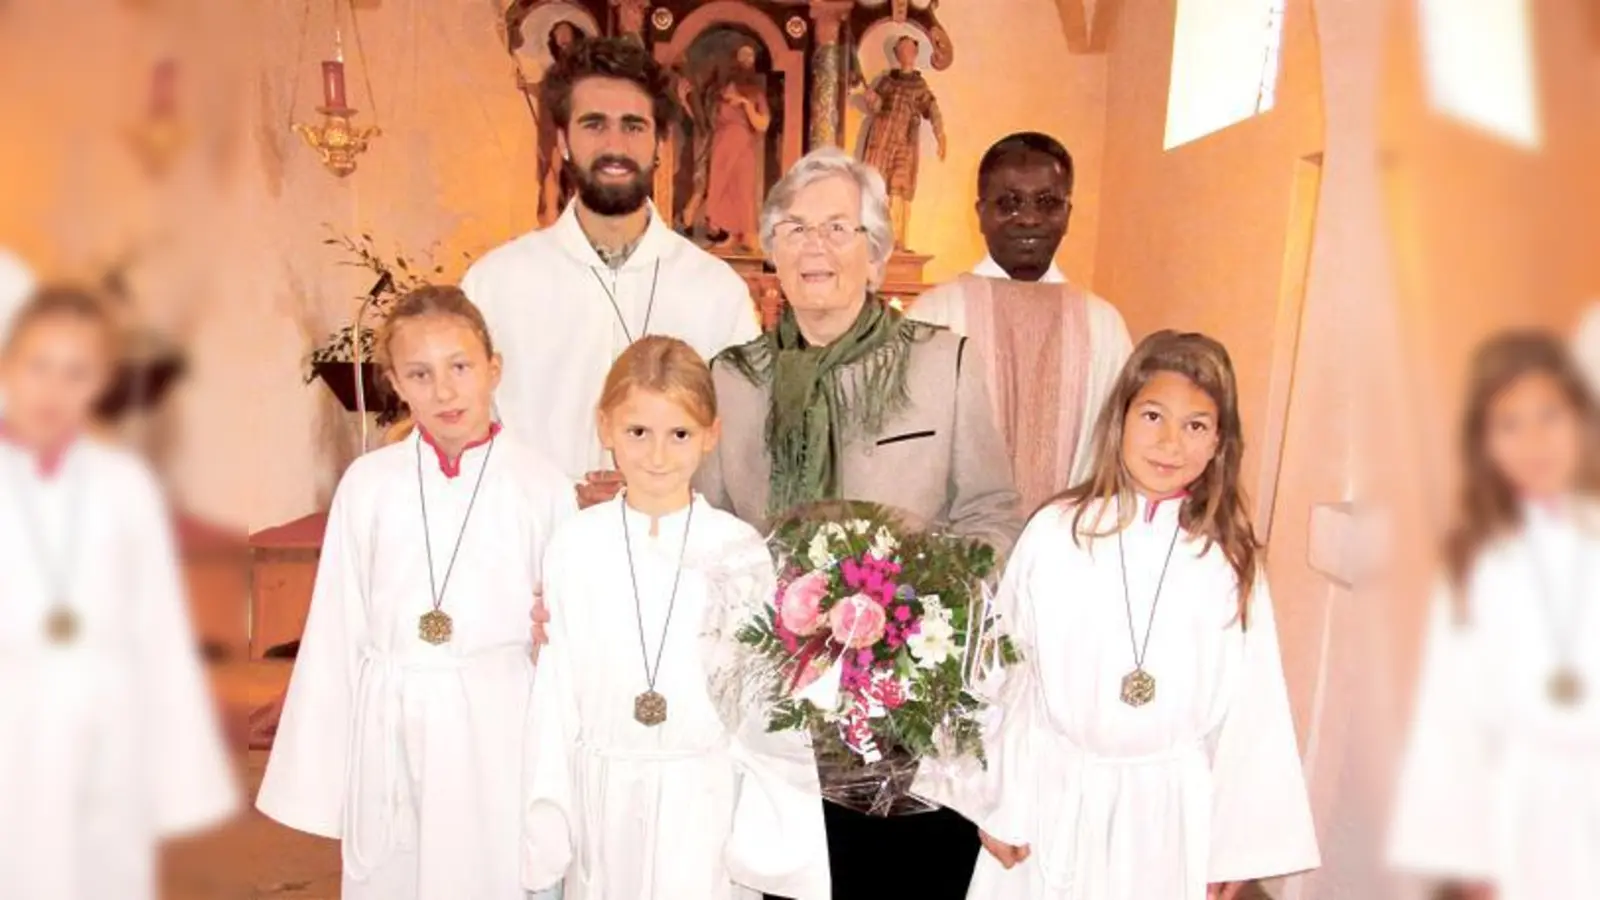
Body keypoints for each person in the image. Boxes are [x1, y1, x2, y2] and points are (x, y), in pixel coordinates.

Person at [695, 146, 1021, 899]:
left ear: (875, 254)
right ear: (772, 250)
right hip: (775, 707)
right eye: (797, 228)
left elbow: (991, 510)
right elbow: (706, 531)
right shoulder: (732, 380)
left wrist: (929, 611)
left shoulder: (944, 363)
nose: (817, 246)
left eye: (840, 228)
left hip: (911, 708)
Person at [944, 330, 1319, 900]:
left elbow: (1253, 708)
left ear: (1219, 442)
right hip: (1054, 793)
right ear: (1118, 421)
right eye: (1152, 416)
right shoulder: (1056, 533)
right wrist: (995, 800)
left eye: (1196, 425)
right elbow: (1005, 671)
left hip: (1165, 812)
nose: (1171, 442)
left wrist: (1235, 843)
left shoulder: (1228, 559)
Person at [256, 285, 575, 900]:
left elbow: (562, 633)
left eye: (460, 367)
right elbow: (337, 624)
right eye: (420, 374)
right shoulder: (370, 484)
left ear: (494, 368)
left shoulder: (542, 486)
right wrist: (322, 768)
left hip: (497, 725)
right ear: (395, 384)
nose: (445, 391)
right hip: (392, 722)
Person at [522, 336, 829, 899]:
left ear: (711, 434)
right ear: (605, 426)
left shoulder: (738, 551)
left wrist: (768, 837)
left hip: (703, 801)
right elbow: (557, 693)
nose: (657, 456)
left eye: (679, 434)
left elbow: (761, 706)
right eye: (638, 432)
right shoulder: (574, 545)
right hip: (605, 795)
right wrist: (548, 823)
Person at [0, 285, 238, 899]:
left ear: (101, 382)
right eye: (39, 367)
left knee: (103, 874)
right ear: (7, 366)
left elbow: (157, 627)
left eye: (77, 373)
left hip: (107, 722)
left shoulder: (123, 485)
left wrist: (180, 776)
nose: (54, 390)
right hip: (11, 718)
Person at [464, 36, 760, 510]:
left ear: (659, 142)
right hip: (537, 552)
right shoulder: (496, 283)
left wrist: (653, 494)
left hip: (676, 559)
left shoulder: (716, 292)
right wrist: (561, 499)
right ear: (562, 141)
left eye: (633, 126)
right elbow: (471, 435)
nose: (615, 146)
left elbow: (740, 444)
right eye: (594, 124)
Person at [1388, 332, 1600, 900]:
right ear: (1484, 445)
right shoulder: (1473, 560)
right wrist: (1466, 860)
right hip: (1515, 812)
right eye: (1509, 424)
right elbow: (1449, 717)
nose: (1534, 441)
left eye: (1549, 416)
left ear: (1581, 421)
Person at [911, 132, 1132, 510]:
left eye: (1047, 202)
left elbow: (1120, 456)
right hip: (953, 553)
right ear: (980, 213)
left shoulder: (1104, 326)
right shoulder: (932, 317)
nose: (1028, 218)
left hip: (1072, 551)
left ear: (1067, 214)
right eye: (1009, 203)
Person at [858, 34, 945, 249]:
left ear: (914, 54)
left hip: (905, 142)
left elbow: (931, 109)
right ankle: (873, 234)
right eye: (902, 50)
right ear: (897, 54)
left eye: (909, 50)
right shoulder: (888, 82)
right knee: (876, 184)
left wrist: (940, 134)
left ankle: (896, 239)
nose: (906, 54)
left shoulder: (919, 85)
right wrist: (871, 98)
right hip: (882, 137)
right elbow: (876, 107)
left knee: (899, 188)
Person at [701, 42, 770, 252]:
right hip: (722, 144)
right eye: (742, 57)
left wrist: (745, 104)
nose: (745, 62)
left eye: (750, 58)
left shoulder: (756, 94)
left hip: (743, 145)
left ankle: (746, 234)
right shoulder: (721, 92)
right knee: (722, 187)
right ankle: (727, 233)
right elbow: (709, 120)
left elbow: (762, 124)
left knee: (743, 189)